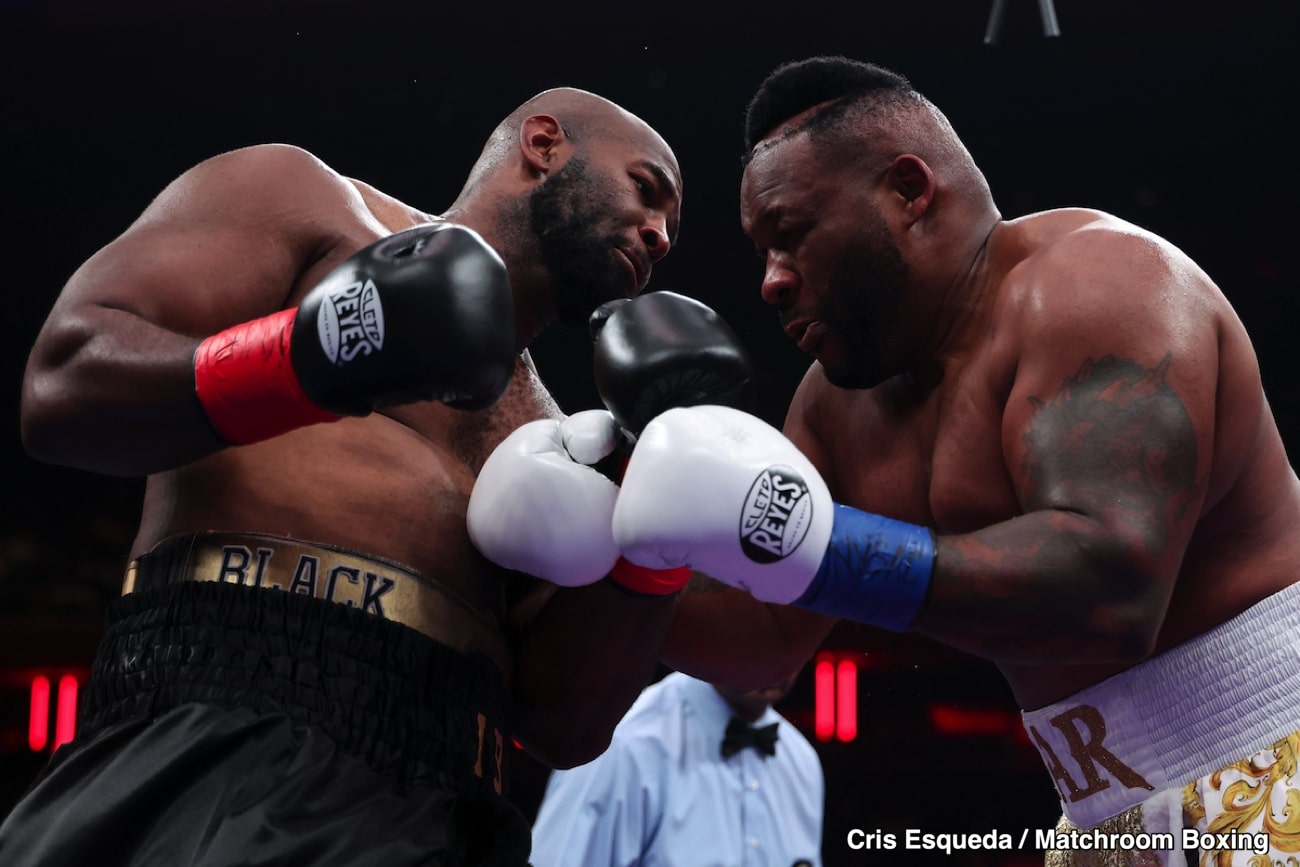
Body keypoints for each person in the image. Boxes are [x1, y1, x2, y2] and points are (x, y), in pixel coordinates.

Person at [471, 56, 1300, 867]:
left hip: (1277, 751)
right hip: (1103, 819)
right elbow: (767, 638)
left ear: (908, 191)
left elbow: (1113, 587)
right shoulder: (838, 407)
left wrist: (822, 547)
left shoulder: (1099, 285)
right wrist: (623, 554)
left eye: (789, 236)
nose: (770, 282)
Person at [2, 85, 689, 866]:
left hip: (452, 808)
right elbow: (63, 383)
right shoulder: (309, 203)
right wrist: (312, 354)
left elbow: (563, 725)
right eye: (647, 189)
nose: (661, 235)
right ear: (542, 142)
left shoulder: (559, 447)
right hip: (220, 732)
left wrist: (656, 525)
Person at [529, 669, 823, 867]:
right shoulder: (625, 743)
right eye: (760, 628)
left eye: (789, 631)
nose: (774, 653)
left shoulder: (802, 761)